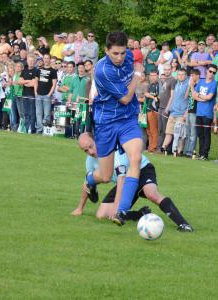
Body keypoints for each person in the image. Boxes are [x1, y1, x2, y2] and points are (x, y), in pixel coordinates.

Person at [75, 133, 193, 232]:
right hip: (127, 181)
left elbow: (121, 182)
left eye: (91, 146)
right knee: (101, 214)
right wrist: (80, 208)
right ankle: (141, 214)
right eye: (86, 150)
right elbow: (86, 182)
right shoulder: (90, 161)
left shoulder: (114, 151)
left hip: (142, 170)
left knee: (151, 193)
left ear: (97, 140)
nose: (90, 152)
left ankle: (183, 224)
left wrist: (117, 209)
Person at [87, 32, 145, 226]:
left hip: (127, 119)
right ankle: (90, 180)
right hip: (106, 123)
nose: (120, 58)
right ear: (106, 51)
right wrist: (137, 76)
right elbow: (126, 98)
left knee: (135, 158)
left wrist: (138, 63)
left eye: (122, 52)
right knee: (105, 175)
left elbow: (138, 58)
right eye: (115, 54)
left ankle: (121, 211)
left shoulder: (129, 55)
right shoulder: (102, 70)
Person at [192, 64, 218, 160]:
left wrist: (200, 97)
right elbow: (194, 95)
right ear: (206, 71)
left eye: (214, 72)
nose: (211, 74)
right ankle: (201, 153)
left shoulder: (214, 83)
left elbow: (209, 97)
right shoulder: (201, 81)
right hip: (199, 112)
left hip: (208, 113)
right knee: (200, 134)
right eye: (210, 71)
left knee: (206, 134)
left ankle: (205, 154)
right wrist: (202, 98)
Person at [162, 68, 189, 154]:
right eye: (179, 74)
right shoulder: (176, 84)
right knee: (168, 132)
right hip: (173, 112)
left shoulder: (188, 84)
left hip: (182, 113)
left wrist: (186, 113)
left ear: (186, 75)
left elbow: (190, 100)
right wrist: (168, 108)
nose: (180, 76)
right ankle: (163, 148)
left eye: (182, 74)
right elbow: (172, 97)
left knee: (180, 135)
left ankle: (180, 151)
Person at [35, 53, 57, 133]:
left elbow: (54, 84)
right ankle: (39, 130)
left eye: (48, 58)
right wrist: (35, 92)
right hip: (38, 95)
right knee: (38, 113)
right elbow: (36, 82)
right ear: (43, 59)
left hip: (47, 95)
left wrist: (49, 94)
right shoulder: (38, 70)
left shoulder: (53, 71)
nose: (46, 60)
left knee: (47, 114)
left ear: (50, 59)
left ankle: (45, 130)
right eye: (45, 58)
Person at [184, 69, 201, 157]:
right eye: (190, 75)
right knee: (188, 133)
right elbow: (186, 96)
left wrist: (192, 86)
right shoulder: (192, 85)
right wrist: (189, 86)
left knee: (193, 134)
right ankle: (186, 151)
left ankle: (191, 152)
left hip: (195, 111)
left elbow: (195, 96)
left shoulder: (199, 85)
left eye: (193, 75)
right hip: (189, 111)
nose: (191, 77)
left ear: (197, 76)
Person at [144, 70, 161, 153]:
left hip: (154, 110)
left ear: (157, 75)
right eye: (151, 75)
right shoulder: (150, 85)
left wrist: (148, 95)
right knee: (148, 130)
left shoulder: (159, 85)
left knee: (154, 130)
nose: (152, 77)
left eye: (154, 75)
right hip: (147, 109)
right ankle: (150, 147)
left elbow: (158, 97)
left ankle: (154, 148)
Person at [20, 55, 37, 134]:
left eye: (32, 61)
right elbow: (20, 81)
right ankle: (26, 129)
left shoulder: (36, 71)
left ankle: (32, 129)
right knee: (25, 113)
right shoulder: (24, 70)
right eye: (29, 61)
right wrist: (28, 82)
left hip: (32, 96)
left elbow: (33, 84)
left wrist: (25, 82)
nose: (31, 62)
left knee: (32, 113)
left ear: (34, 62)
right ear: (27, 61)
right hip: (24, 95)